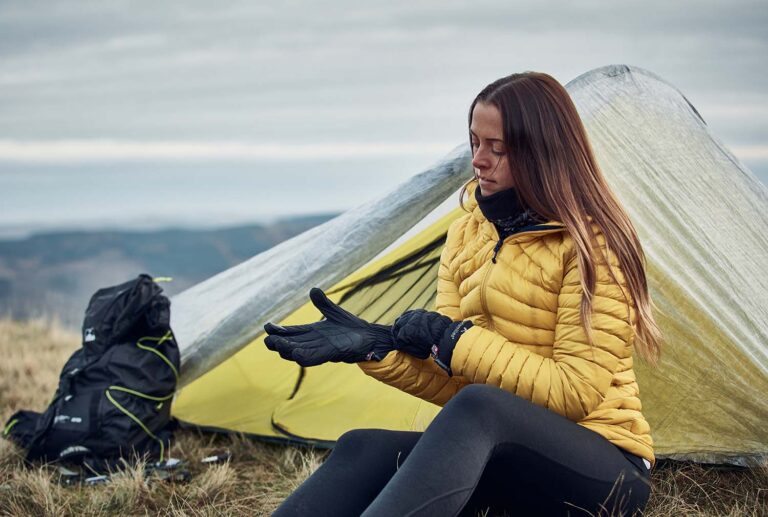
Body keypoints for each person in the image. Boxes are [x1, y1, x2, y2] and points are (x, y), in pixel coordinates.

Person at [263, 71, 663, 516]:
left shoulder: (592, 243)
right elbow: (459, 380)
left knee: (482, 406)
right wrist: (378, 349)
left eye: (499, 148)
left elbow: (575, 392)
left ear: (542, 152)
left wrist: (453, 340)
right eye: (475, 142)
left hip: (606, 465)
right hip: (507, 453)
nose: (479, 160)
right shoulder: (467, 234)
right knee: (362, 447)